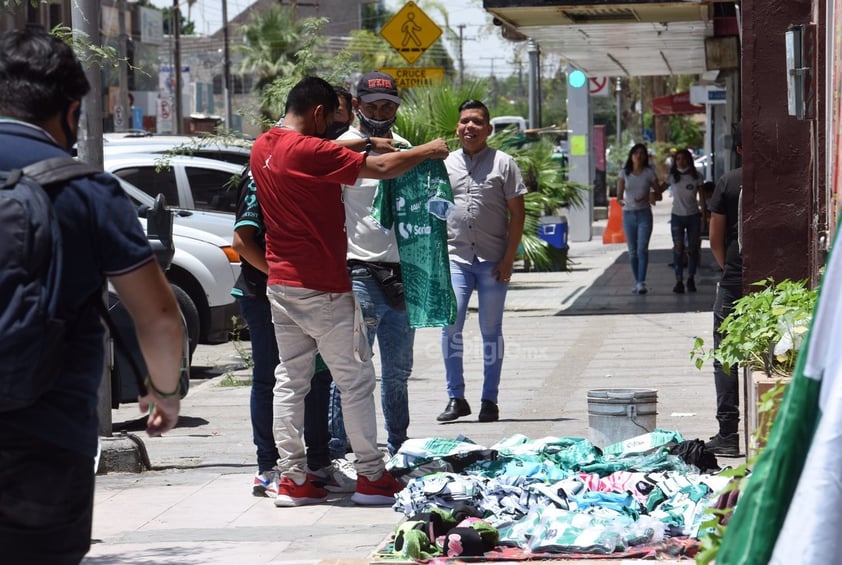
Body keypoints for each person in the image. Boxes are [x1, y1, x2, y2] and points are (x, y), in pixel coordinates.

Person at [0, 29, 184, 563]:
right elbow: (160, 318)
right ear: (73, 110)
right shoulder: (85, 190)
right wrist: (164, 392)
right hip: (46, 442)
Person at [249, 76, 448, 507]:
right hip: (324, 286)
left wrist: (369, 144)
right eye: (329, 121)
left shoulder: (263, 146)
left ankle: (292, 480)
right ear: (319, 113)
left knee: (290, 380)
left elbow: (333, 153)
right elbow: (378, 170)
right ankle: (372, 478)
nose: (331, 131)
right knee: (356, 380)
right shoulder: (310, 149)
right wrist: (428, 150)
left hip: (281, 284)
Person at [338, 71, 415, 456]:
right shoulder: (342, 149)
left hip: (403, 277)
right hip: (361, 274)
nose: (381, 112)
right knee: (353, 371)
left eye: (388, 106)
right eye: (372, 106)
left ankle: (399, 446)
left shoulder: (407, 148)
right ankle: (343, 447)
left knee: (398, 373)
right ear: (356, 106)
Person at [437, 99, 526, 424]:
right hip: (456, 258)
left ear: (489, 129)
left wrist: (508, 259)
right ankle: (455, 397)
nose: (469, 127)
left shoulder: (504, 163)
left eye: (476, 121)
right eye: (464, 121)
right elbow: (435, 210)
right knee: (450, 327)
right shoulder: (445, 165)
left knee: (491, 331)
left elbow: (518, 213)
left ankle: (490, 400)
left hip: (492, 261)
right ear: (457, 127)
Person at [705, 122, 743, 457]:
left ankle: (728, 434)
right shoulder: (779, 178)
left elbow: (715, 238)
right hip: (776, 280)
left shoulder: (729, 182)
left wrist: (728, 268)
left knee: (726, 356)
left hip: (734, 279)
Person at [616, 143, 665, 295]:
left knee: (642, 249)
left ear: (645, 157)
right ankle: (636, 280)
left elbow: (659, 195)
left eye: (642, 153)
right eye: (636, 153)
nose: (639, 156)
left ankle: (641, 282)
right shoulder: (624, 173)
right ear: (631, 156)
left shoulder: (649, 173)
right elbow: (618, 197)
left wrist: (648, 195)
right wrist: (624, 202)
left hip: (644, 213)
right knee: (632, 251)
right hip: (629, 214)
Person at [666, 148, 705, 294]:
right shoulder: (672, 177)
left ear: (689, 160)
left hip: (693, 215)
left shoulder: (696, 176)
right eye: (678, 159)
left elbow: (702, 198)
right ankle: (678, 280)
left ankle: (691, 278)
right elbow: (658, 190)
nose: (681, 161)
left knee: (693, 249)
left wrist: (705, 216)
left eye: (683, 158)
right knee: (678, 248)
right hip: (677, 216)